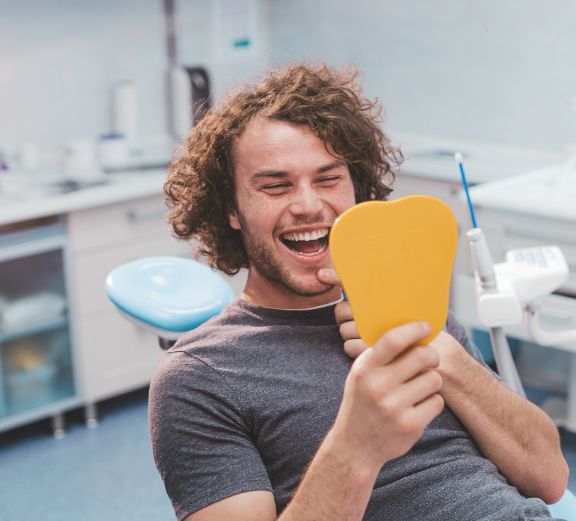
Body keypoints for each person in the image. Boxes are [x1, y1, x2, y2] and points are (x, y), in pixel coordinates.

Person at [149, 63, 569, 521]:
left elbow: (549, 477)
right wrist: (358, 445)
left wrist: (439, 352)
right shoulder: (198, 378)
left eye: (328, 180)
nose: (309, 206)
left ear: (356, 192)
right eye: (275, 186)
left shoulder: (411, 306)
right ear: (230, 208)